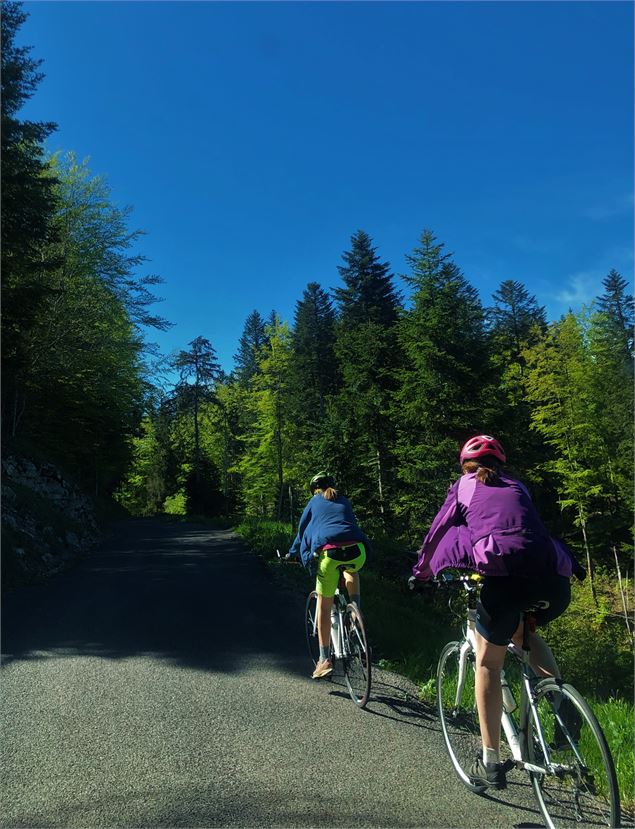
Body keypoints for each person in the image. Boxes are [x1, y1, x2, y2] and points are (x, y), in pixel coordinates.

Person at [410, 435, 585, 789]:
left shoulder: (464, 486)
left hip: (507, 580)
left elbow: (439, 531)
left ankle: (490, 760)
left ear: (466, 465)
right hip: (554, 580)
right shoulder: (518, 485)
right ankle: (560, 702)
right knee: (524, 633)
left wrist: (421, 574)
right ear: (500, 464)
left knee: (489, 663)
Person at [289, 472, 370, 680]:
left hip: (331, 553)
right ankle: (355, 613)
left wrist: (292, 552)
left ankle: (324, 659)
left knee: (323, 609)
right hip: (358, 550)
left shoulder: (314, 501)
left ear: (313, 489)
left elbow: (302, 531)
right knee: (352, 570)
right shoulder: (343, 499)